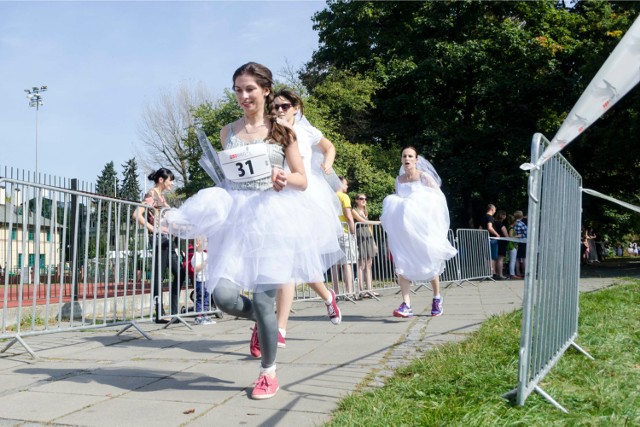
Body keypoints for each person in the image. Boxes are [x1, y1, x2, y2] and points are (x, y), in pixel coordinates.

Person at [163, 62, 341, 400]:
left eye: (250, 90)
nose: (243, 96)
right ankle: (264, 322)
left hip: (273, 217)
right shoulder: (227, 132)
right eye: (237, 90)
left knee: (263, 298)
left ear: (265, 90)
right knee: (224, 297)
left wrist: (285, 178)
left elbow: (302, 179)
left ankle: (268, 373)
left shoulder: (283, 132)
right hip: (235, 219)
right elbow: (228, 178)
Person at [253, 88, 342, 352]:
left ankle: (278, 329)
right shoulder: (267, 131)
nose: (279, 110)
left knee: (293, 265)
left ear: (296, 107)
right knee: (292, 264)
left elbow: (329, 147)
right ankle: (327, 297)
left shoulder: (305, 131)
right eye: (275, 107)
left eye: (285, 106)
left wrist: (327, 163)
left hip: (304, 198)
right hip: (274, 198)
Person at [380, 146, 457, 318]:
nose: (407, 158)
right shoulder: (399, 180)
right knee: (401, 264)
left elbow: (437, 199)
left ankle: (437, 298)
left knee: (429, 262)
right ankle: (406, 304)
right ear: (401, 160)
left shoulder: (424, 177)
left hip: (422, 229)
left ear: (416, 159)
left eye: (410, 156)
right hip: (404, 232)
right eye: (404, 156)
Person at [135, 167, 181, 324]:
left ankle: (175, 312)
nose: (172, 183)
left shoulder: (161, 197)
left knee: (180, 272)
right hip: (159, 239)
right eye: (170, 180)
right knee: (159, 276)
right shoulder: (151, 195)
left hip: (168, 239)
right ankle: (159, 313)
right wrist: (152, 229)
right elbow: (137, 215)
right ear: (161, 180)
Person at [331, 176, 356, 298]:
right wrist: (352, 231)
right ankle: (349, 291)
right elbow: (349, 216)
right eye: (345, 184)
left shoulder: (329, 197)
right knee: (347, 263)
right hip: (344, 231)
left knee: (335, 265)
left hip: (333, 232)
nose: (347, 186)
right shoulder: (344, 197)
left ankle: (336, 292)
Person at [352, 193, 379, 298]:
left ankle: (370, 289)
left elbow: (369, 226)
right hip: (361, 237)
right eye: (361, 198)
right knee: (361, 264)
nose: (363, 200)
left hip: (368, 236)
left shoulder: (365, 211)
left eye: (365, 199)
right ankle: (361, 290)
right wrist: (379, 222)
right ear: (356, 200)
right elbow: (363, 221)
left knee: (369, 263)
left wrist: (374, 241)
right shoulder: (354, 211)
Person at [191, 237, 214, 325]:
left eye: (207, 241)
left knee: (207, 298)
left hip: (207, 279)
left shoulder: (205, 254)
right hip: (200, 280)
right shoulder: (195, 256)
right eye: (204, 241)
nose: (206, 243)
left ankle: (205, 315)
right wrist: (204, 264)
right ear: (197, 244)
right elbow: (196, 269)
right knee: (200, 297)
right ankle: (199, 316)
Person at [479, 204, 500, 277]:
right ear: (492, 209)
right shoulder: (490, 217)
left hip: (485, 239)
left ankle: (488, 273)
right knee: (492, 257)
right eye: (495, 209)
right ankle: (493, 273)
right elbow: (490, 228)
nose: (495, 211)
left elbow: (480, 229)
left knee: (487, 256)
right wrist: (497, 235)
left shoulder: (483, 217)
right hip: (492, 239)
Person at [494, 210, 509, 280]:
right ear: (503, 216)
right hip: (502, 242)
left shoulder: (493, 223)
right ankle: (501, 274)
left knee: (496, 259)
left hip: (495, 241)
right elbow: (506, 235)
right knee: (500, 259)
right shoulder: (501, 224)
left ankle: (496, 273)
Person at [514, 210, 528, 275]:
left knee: (516, 258)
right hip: (523, 241)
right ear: (522, 216)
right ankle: (525, 272)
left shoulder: (514, 223)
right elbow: (526, 232)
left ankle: (518, 272)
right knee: (523, 257)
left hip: (515, 242)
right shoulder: (522, 224)